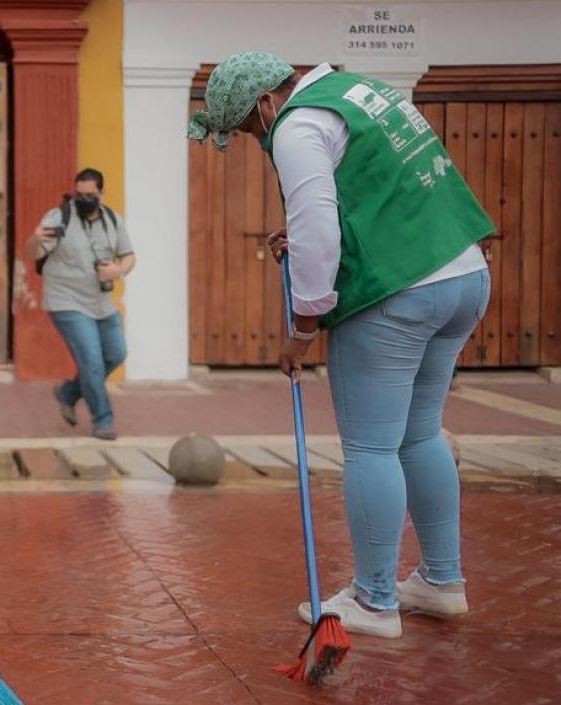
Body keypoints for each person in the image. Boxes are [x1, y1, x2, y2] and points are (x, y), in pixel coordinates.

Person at [189, 52, 492, 639]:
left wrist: (302, 331)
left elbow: (319, 230)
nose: (256, 141)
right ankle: (441, 580)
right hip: (462, 274)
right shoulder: (359, 92)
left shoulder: (296, 124)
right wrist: (307, 235)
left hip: (398, 292)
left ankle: (374, 601)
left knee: (371, 447)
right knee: (420, 434)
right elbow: (381, 194)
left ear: (265, 102)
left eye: (248, 128)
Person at [25, 168, 135, 440]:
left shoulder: (113, 220)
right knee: (92, 361)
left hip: (102, 302)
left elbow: (129, 256)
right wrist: (36, 239)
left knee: (116, 354)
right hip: (66, 300)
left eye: (90, 195)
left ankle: (69, 392)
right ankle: (103, 420)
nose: (84, 200)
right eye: (79, 194)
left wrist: (118, 270)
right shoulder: (59, 217)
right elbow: (33, 252)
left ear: (101, 193)